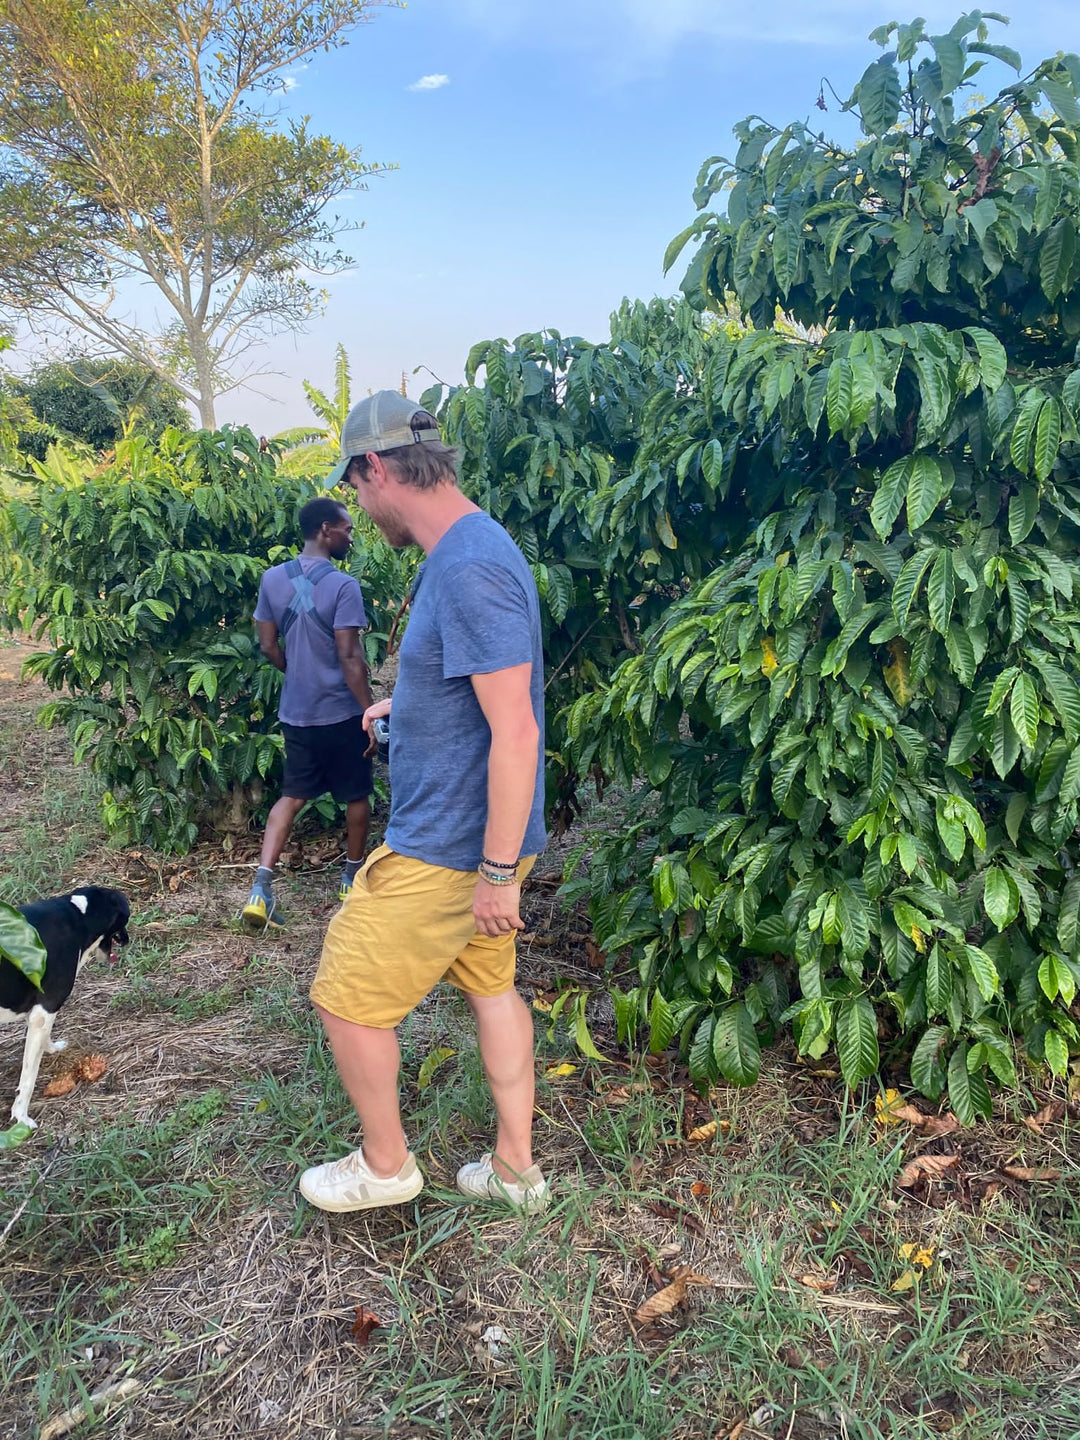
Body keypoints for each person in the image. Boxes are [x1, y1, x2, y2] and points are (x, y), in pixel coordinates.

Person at [297, 391, 548, 1214]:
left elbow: (516, 731)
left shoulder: (468, 565)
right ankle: (516, 1171)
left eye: (358, 491)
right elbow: (479, 694)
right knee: (491, 988)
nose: (361, 510)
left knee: (344, 993)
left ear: (377, 469)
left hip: (453, 850)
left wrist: (498, 874)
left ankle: (384, 1166)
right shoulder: (472, 547)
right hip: (477, 845)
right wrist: (405, 708)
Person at [241, 496, 375, 930]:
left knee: (291, 796)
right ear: (324, 529)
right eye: (347, 530)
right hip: (339, 712)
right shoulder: (343, 586)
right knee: (356, 795)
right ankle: (351, 878)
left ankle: (261, 889)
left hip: (296, 712)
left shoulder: (272, 579)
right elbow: (350, 657)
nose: (350, 537)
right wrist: (369, 711)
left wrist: (295, 672)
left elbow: (267, 645)